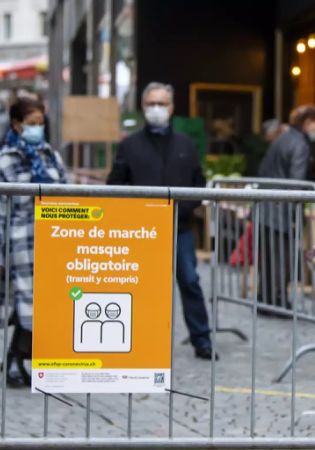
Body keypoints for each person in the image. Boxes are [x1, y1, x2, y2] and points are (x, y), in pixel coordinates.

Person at [107, 82, 215, 360]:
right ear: (143, 107)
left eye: (162, 103)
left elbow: (197, 183)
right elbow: (115, 184)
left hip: (179, 228)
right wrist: (135, 213)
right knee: (140, 285)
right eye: (151, 103)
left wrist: (184, 209)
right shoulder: (129, 145)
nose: (157, 109)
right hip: (141, 229)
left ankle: (202, 339)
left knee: (190, 280)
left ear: (172, 107)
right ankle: (137, 337)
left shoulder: (185, 144)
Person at [0, 98, 68, 386]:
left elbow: (67, 194)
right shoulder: (4, 160)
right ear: (17, 125)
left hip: (53, 242)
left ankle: (22, 358)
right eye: (31, 124)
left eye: (40, 124)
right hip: (21, 246)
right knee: (25, 306)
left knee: (47, 305)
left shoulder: (51, 156)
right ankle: (16, 360)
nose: (37, 129)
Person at [256, 105, 315, 309]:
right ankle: (277, 301)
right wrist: (296, 215)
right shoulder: (300, 144)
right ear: (307, 123)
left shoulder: (281, 139)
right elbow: (297, 182)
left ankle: (266, 298)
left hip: (267, 206)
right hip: (282, 211)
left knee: (268, 257)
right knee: (282, 258)